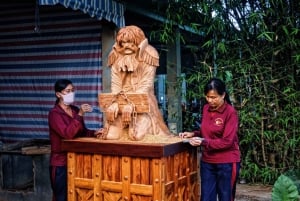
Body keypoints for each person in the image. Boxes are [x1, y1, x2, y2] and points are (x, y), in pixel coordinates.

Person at [179, 78, 240, 201]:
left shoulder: (230, 112)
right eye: (208, 97)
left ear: (223, 95)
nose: (210, 100)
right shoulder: (206, 108)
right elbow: (207, 131)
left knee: (225, 197)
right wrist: (193, 134)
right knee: (206, 197)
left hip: (226, 162)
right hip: (207, 161)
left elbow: (227, 141)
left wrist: (203, 142)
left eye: (214, 97)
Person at [48, 79, 103, 201]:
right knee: (61, 197)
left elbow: (82, 132)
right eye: (67, 91)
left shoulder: (74, 110)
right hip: (60, 162)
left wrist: (95, 133)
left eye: (72, 90)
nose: (71, 93)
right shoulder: (54, 114)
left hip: (76, 159)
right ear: (58, 94)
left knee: (76, 195)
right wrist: (81, 114)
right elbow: (68, 134)